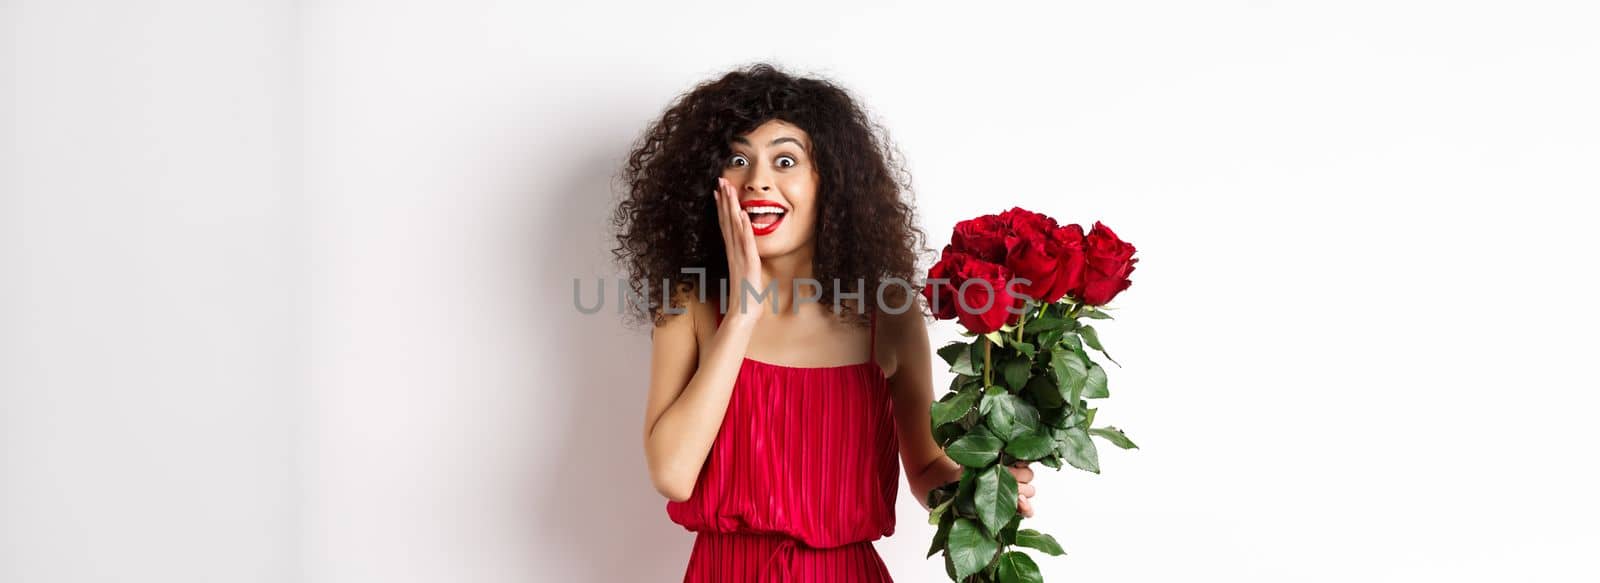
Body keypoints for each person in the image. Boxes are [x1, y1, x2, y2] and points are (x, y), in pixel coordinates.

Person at [614, 62, 1037, 582]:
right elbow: (673, 475)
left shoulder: (888, 312)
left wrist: (985, 488)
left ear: (829, 182)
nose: (758, 181)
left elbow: (926, 469)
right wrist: (743, 310)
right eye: (737, 159)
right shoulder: (690, 306)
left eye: (785, 160)